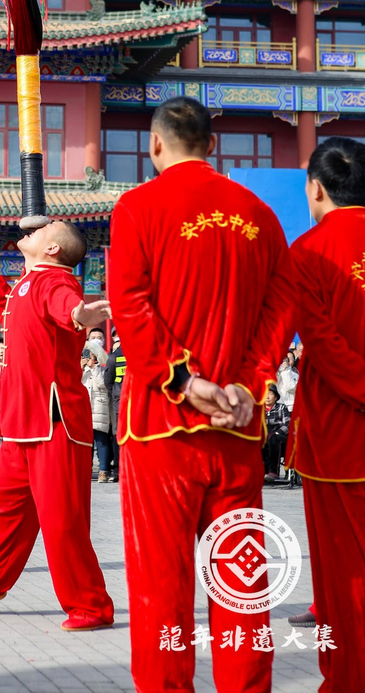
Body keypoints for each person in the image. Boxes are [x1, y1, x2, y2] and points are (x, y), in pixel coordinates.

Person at [109, 97, 294, 692]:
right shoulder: (259, 214)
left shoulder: (137, 207)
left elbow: (130, 307)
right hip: (238, 427)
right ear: (212, 145)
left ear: (155, 146)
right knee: (241, 581)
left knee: (161, 584)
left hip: (161, 424)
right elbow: (280, 309)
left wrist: (187, 382)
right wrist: (250, 381)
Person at [0, 222, 114, 631]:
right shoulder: (27, 282)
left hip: (54, 421)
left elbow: (67, 308)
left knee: (62, 520)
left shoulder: (56, 280)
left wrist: (80, 314)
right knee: (0, 507)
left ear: (52, 248)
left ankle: (91, 606)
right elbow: (6, 307)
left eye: (47, 228)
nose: (36, 226)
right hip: (23, 424)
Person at [285, 136, 365, 692]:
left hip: (338, 434)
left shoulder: (307, 253)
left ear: (315, 188)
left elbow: (321, 340)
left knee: (345, 574)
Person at [81, 349, 112, 483]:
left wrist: (94, 367)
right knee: (86, 443)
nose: (88, 357)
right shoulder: (81, 369)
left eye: (91, 355)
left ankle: (103, 471)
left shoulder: (101, 368)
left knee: (101, 441)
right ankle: (85, 470)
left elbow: (102, 384)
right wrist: (80, 367)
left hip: (99, 407)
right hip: (84, 409)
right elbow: (75, 382)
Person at [102, 334, 124, 483]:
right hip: (129, 401)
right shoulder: (116, 357)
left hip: (121, 400)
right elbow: (108, 380)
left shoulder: (115, 356)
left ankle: (118, 470)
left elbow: (108, 380)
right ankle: (119, 469)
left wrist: (116, 392)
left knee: (120, 436)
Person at [262, 384, 290, 482]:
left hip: (280, 438)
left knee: (273, 438)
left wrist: (277, 433)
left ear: (276, 397)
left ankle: (273, 472)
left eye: (270, 393)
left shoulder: (281, 408)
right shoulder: (259, 409)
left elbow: (287, 424)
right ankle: (263, 471)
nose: (267, 396)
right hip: (265, 437)